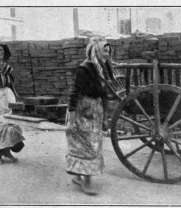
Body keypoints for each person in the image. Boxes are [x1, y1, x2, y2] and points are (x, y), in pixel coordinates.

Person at [65, 37, 114, 195]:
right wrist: (72, 118)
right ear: (96, 51)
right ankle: (86, 181)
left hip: (94, 110)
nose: (107, 53)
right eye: (104, 50)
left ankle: (80, 177)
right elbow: (74, 92)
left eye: (108, 50)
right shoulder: (85, 68)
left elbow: (105, 92)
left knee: (91, 145)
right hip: (82, 111)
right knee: (86, 146)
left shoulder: (103, 67)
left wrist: (105, 115)